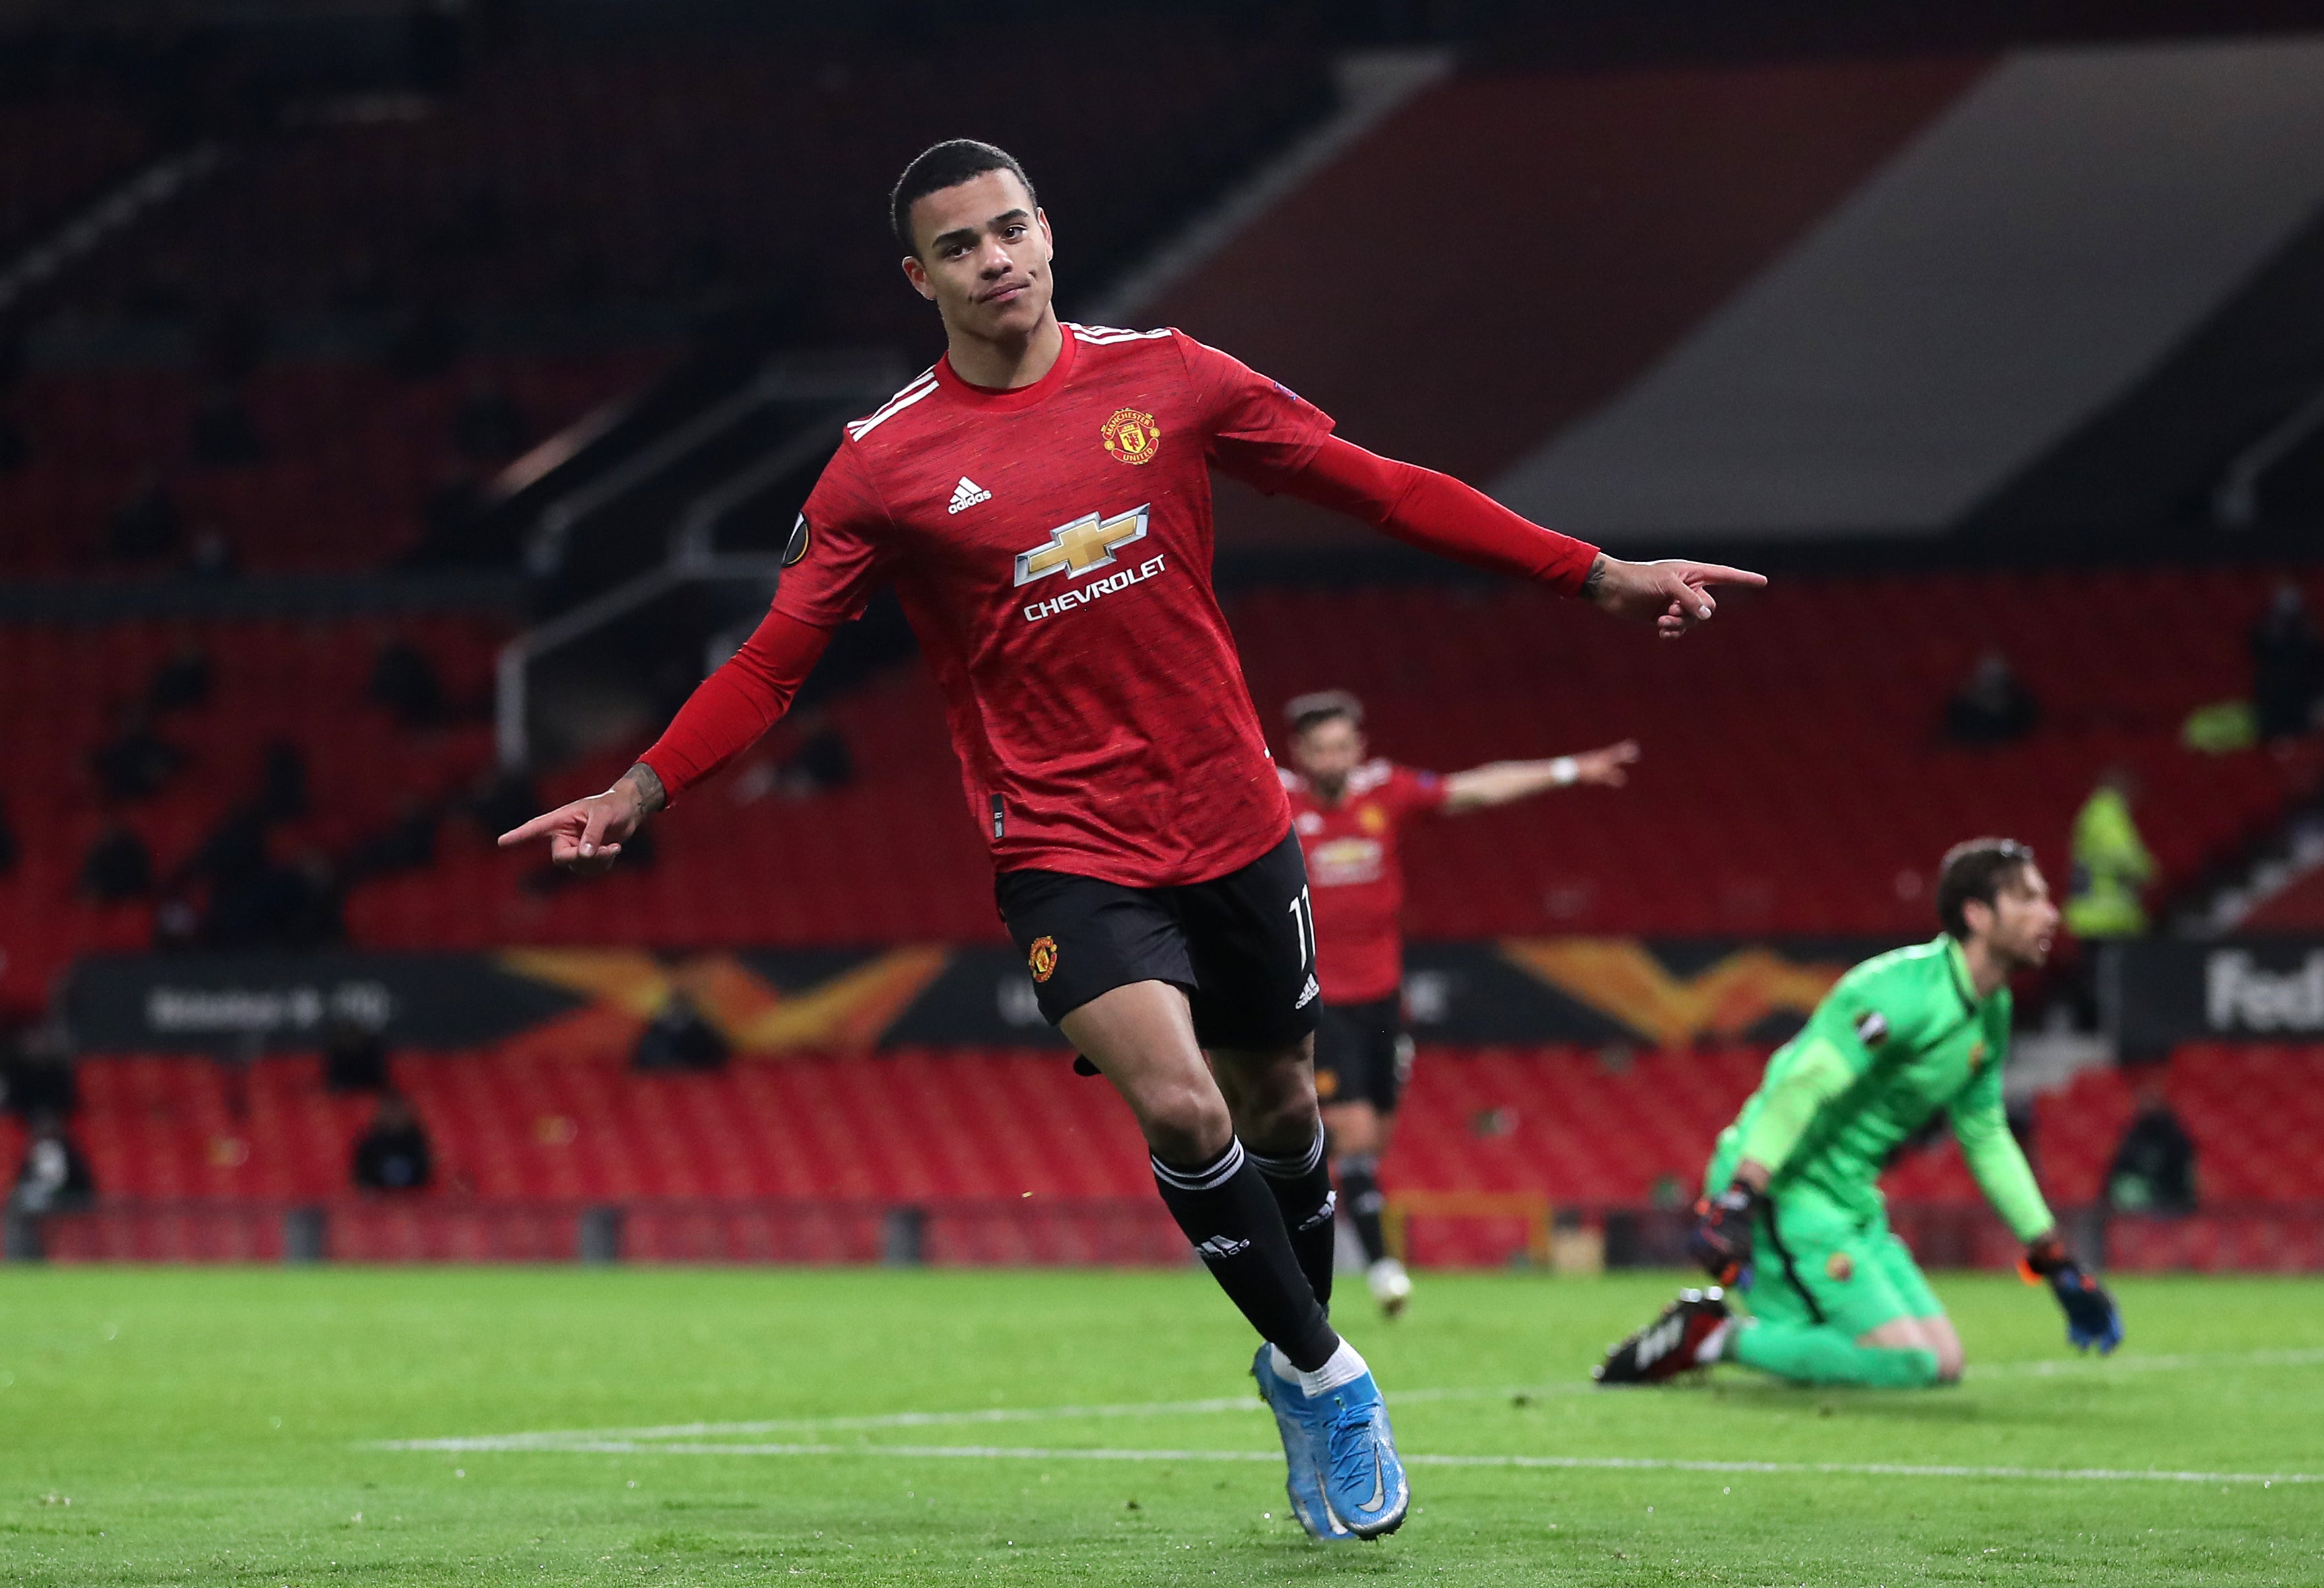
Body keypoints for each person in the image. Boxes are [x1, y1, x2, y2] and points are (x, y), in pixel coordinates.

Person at [497, 138, 1762, 1543]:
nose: (998, 259)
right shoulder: (880, 467)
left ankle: (1290, 1357)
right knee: (1183, 1104)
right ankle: (1335, 1378)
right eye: (963, 245)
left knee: (1284, 1110)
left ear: (1047, 230)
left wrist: (1590, 573)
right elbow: (775, 658)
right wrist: (643, 785)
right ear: (920, 278)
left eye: (1012, 227)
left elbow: (1384, 486)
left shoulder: (1170, 374)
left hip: (1232, 817)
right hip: (1061, 840)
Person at [1595, 839, 2122, 1389]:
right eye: (2028, 899)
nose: (2050, 912)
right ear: (1977, 916)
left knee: (1943, 1364)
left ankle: (1754, 1332)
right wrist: (1739, 1196)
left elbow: (1984, 1133)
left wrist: (2051, 1255)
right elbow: (1803, 1085)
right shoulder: (1897, 992)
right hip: (1784, 1192)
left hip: (1848, 1200)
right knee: (1906, 1365)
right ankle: (1709, 1336)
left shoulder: (1991, 1010)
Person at [1279, 688, 1638, 1317]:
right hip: (1321, 1001)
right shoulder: (1277, 802)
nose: (1332, 759)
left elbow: (1475, 788)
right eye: (1319, 749)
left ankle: (1308, 1172)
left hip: (1383, 1002)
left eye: (1341, 746)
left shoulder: (1385, 792)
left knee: (1373, 1138)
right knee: (1356, 1133)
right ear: (1300, 755)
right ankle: (1382, 1267)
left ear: (1357, 748)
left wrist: (1568, 770)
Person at [2064, 768, 2154, 941]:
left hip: (2090, 914)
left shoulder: (2093, 812)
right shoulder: (2107, 814)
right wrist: (2147, 870)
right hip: (2107, 917)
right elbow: (2122, 855)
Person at [2107, 1069, 2197, 1215]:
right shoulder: (2132, 1131)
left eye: (2151, 1094)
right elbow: (2119, 1172)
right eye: (2143, 1095)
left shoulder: (2174, 1132)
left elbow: (2184, 1176)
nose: (2147, 1099)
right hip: (2136, 1203)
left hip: (2169, 1201)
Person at [2251, 583, 2323, 744]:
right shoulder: (2266, 630)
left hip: (2303, 699)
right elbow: (2256, 649)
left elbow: (2318, 666)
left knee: (2302, 746)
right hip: (2273, 699)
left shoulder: (2310, 633)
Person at [1943, 649, 2038, 746]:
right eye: (1987, 678)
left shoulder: (2021, 711)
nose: (1991, 686)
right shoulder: (1962, 712)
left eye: (1997, 679)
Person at [11, 1110, 95, 1213]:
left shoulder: (70, 1155)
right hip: (38, 1202)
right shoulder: (32, 1154)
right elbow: (22, 1180)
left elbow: (82, 1183)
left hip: (67, 1200)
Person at [351, 1093, 433, 1191]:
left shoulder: (418, 1142)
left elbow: (426, 1178)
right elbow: (362, 1181)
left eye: (397, 1110)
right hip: (379, 1203)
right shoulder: (369, 1144)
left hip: (413, 1202)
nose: (393, 1115)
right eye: (389, 1110)